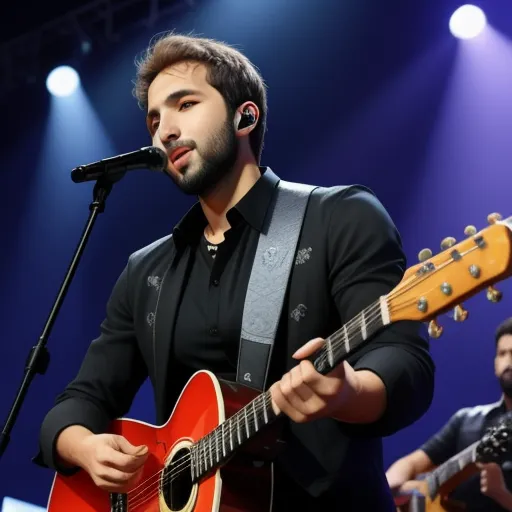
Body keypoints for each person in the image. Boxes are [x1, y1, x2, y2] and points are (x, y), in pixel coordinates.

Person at [33, 32, 434, 510]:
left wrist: (347, 394)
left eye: (184, 104)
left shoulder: (340, 217)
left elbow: (404, 361)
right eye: (155, 119)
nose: (164, 131)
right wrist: (83, 445)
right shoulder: (147, 271)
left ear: (246, 115)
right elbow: (84, 396)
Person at [386, 317, 512, 511]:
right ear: (495, 363)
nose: (509, 361)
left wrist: (501, 494)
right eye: (503, 353)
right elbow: (405, 467)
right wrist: (416, 489)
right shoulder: (467, 420)